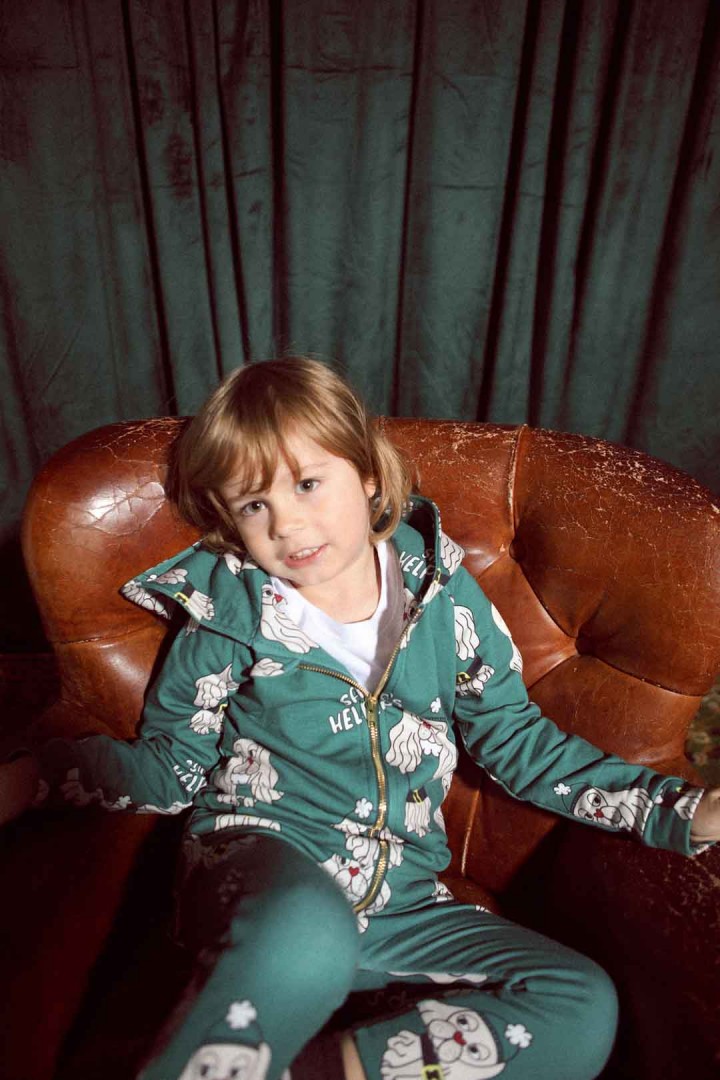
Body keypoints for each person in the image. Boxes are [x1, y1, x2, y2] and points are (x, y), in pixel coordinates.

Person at [1, 356, 719, 1080]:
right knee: (308, 930)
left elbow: (518, 741)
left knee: (582, 1001)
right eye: (253, 505)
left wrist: (678, 810)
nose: (286, 524)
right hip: (266, 871)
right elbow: (171, 766)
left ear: (370, 475)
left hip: (403, 898)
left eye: (308, 484)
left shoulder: (444, 596)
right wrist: (36, 778)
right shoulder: (227, 614)